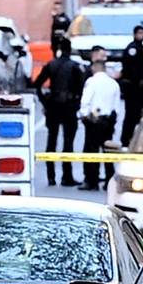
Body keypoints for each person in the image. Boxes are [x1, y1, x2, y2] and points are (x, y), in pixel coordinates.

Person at [33, 38, 85, 186]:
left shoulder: (51, 65)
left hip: (53, 106)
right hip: (68, 106)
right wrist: (76, 103)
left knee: (51, 141)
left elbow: (37, 84)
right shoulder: (74, 67)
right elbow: (81, 89)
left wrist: (44, 100)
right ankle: (66, 176)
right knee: (68, 142)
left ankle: (51, 176)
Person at [78, 60, 122, 190]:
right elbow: (116, 106)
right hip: (108, 120)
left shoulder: (91, 82)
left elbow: (85, 101)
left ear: (94, 68)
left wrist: (84, 115)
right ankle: (109, 180)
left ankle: (91, 180)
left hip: (94, 119)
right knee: (107, 151)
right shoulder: (113, 83)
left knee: (91, 151)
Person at [120, 24, 143, 147]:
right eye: (140, 33)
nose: (142, 36)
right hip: (132, 87)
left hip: (139, 87)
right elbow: (131, 68)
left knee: (137, 114)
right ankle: (126, 139)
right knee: (131, 115)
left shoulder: (142, 48)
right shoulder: (132, 49)